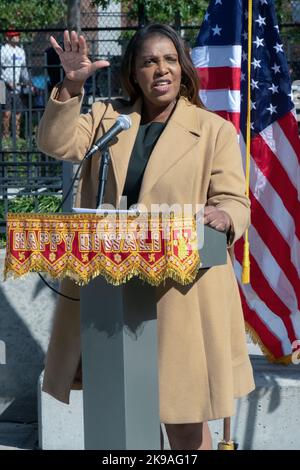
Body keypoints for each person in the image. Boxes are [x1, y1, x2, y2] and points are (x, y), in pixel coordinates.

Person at [37, 25, 255, 450]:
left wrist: (224, 216)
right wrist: (72, 84)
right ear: (133, 73)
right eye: (149, 61)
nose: (161, 69)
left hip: (179, 296)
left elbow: (234, 199)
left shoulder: (212, 131)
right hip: (112, 295)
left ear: (183, 68)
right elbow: (55, 142)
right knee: (124, 419)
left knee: (182, 422)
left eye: (170, 60)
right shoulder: (107, 118)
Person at [0, 30, 29, 139]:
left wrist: (27, 81)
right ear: (8, 38)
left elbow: (23, 69)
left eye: (17, 35)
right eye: (14, 36)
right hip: (2, 86)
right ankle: (5, 137)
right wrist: (7, 81)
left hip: (17, 86)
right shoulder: (3, 50)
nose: (17, 37)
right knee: (6, 113)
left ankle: (16, 137)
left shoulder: (20, 51)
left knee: (18, 113)